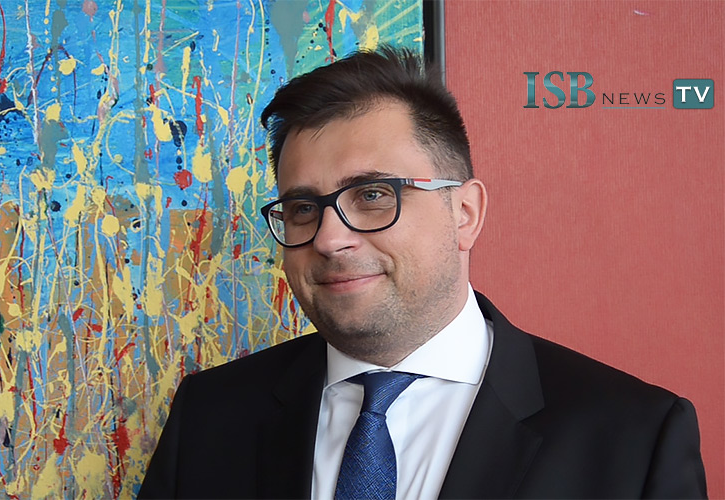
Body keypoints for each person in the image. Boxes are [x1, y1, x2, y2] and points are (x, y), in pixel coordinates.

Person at [138, 46, 707, 499]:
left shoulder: (633, 436)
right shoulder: (210, 417)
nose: (330, 239)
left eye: (373, 195)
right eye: (303, 208)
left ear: (465, 213)